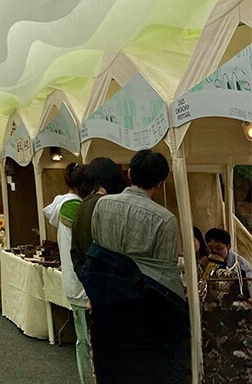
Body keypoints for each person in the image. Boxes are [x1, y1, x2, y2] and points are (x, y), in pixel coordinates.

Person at [83, 149, 190, 383]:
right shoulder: (165, 219)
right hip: (142, 305)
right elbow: (165, 272)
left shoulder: (103, 205)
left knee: (110, 364)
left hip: (107, 298)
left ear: (129, 173)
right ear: (161, 183)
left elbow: (98, 247)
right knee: (144, 369)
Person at [43, 163, 92, 384]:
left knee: (83, 338)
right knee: (86, 340)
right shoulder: (75, 208)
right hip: (81, 281)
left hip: (72, 280)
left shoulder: (62, 205)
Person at [70, 157, 125, 280]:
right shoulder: (107, 205)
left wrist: (89, 282)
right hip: (113, 285)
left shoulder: (81, 206)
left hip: (93, 284)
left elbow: (74, 253)